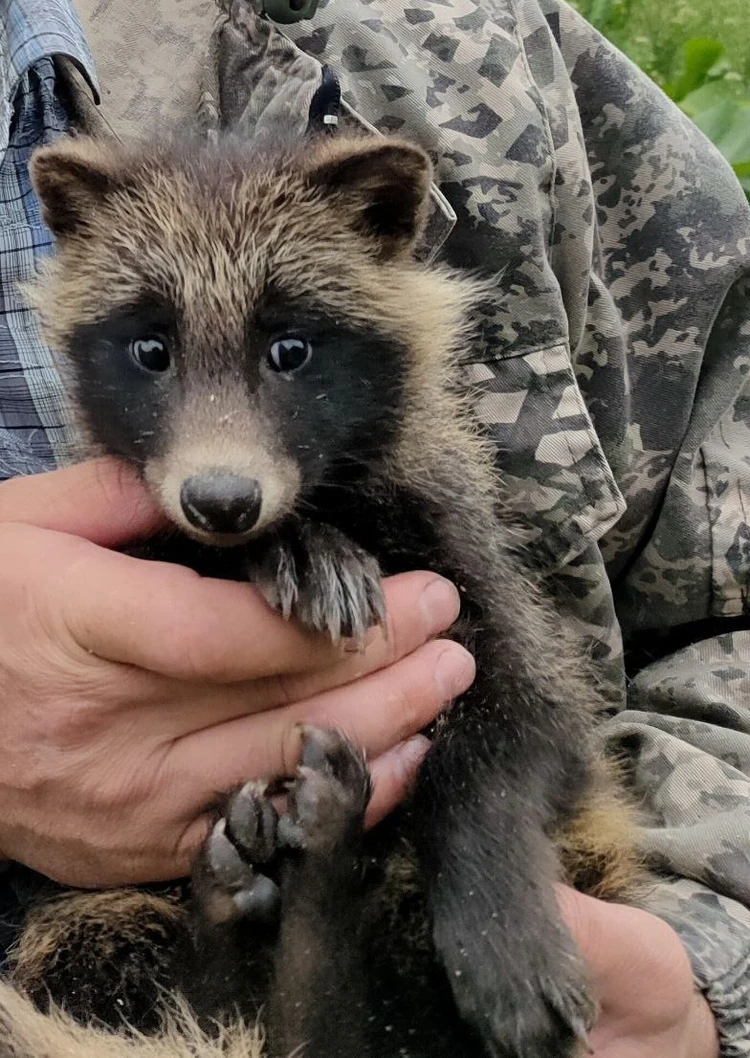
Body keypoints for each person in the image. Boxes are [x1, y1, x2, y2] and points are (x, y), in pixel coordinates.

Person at [0, 0, 748, 1055]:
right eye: (156, 356)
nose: (217, 463)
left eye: (291, 354)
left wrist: (703, 975)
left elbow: (536, 699)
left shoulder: (453, 38)